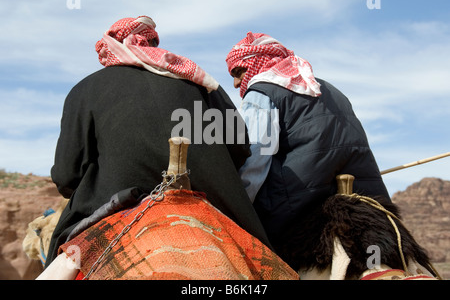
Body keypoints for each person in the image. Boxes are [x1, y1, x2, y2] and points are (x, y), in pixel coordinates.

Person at [45, 17, 271, 267]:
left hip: (114, 205)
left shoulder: (84, 90)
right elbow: (240, 147)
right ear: (153, 42)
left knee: (59, 268)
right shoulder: (199, 81)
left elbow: (66, 177)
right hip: (215, 203)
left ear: (111, 45)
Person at [225, 32, 391, 268]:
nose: (235, 83)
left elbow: (255, 160)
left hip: (299, 206)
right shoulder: (329, 88)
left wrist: (238, 207)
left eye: (238, 72)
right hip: (366, 196)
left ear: (254, 63)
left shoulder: (261, 92)